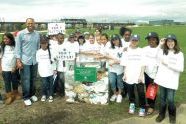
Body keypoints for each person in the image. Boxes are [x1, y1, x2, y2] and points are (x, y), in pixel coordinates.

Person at [155, 34, 184, 123]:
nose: (170, 43)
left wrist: (168, 64)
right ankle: (161, 114)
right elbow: (155, 55)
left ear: (175, 42)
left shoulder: (179, 54)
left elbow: (180, 68)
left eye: (172, 41)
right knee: (162, 99)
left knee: (170, 100)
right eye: (168, 41)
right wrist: (160, 44)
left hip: (172, 81)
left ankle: (172, 116)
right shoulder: (164, 51)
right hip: (162, 80)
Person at [15, 18, 40, 106]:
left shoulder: (37, 34)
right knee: (26, 80)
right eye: (28, 23)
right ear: (26, 24)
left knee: (33, 79)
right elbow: (17, 48)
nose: (30, 25)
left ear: (34, 24)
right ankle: (26, 97)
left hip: (34, 61)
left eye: (32, 23)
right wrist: (18, 61)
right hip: (25, 61)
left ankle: (32, 94)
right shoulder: (20, 34)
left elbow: (38, 47)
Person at [121, 34, 146, 117]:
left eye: (136, 40)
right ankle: (132, 105)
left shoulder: (141, 50)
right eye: (133, 40)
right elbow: (124, 64)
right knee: (130, 92)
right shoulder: (126, 51)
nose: (134, 42)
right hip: (129, 75)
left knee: (141, 93)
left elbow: (143, 64)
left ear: (138, 41)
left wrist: (141, 75)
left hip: (139, 75)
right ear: (130, 41)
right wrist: (124, 74)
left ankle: (142, 107)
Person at [0, 32, 22, 105]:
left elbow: (18, 57)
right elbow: (0, 58)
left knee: (15, 81)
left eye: (6, 39)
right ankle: (9, 96)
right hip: (5, 68)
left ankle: (16, 94)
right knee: (7, 83)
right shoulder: (2, 47)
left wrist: (15, 67)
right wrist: (1, 68)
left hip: (13, 68)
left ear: (11, 39)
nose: (5, 40)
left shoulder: (15, 46)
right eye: (4, 39)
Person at [143, 32, 160, 114]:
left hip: (155, 74)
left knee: (152, 90)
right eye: (149, 39)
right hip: (146, 72)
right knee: (147, 88)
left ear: (157, 40)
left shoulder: (160, 49)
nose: (151, 41)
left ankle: (151, 106)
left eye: (153, 39)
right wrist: (126, 49)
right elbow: (135, 51)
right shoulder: (145, 48)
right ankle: (148, 103)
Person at [36, 35, 56, 102]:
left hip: (50, 71)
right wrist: (39, 71)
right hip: (43, 71)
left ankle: (50, 94)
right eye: (42, 43)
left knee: (51, 83)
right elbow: (38, 62)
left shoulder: (51, 51)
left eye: (45, 43)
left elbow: (54, 61)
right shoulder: (38, 52)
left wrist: (54, 69)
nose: (44, 45)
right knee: (44, 84)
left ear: (47, 43)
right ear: (40, 44)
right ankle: (44, 94)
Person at [108, 34, 124, 103]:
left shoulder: (122, 49)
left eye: (116, 39)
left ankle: (119, 94)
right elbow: (108, 57)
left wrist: (115, 62)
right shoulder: (110, 49)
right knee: (112, 82)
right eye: (113, 40)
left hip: (120, 69)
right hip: (112, 69)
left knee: (119, 82)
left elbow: (122, 60)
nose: (115, 41)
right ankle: (115, 93)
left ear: (119, 40)